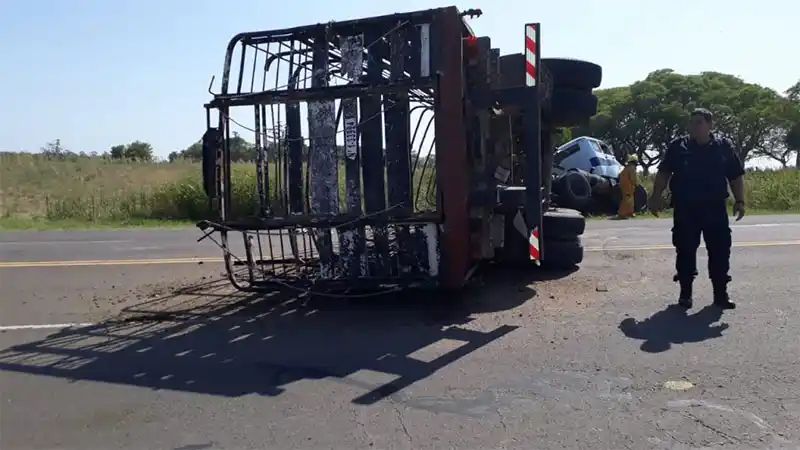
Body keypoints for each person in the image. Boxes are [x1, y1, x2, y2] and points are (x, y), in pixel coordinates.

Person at [647, 108, 746, 310]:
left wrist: (740, 201)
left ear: (710, 125)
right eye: (691, 122)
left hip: (715, 208)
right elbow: (664, 173)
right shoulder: (678, 146)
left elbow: (735, 176)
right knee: (685, 250)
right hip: (686, 208)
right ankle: (685, 295)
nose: (693, 126)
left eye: (699, 122)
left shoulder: (723, 146)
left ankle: (721, 295)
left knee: (720, 251)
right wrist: (655, 196)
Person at [616, 154, 639, 219]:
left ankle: (630, 213)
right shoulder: (631, 168)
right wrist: (637, 184)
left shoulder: (626, 168)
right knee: (627, 200)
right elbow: (633, 178)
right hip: (628, 187)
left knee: (630, 200)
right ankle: (622, 214)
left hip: (625, 186)